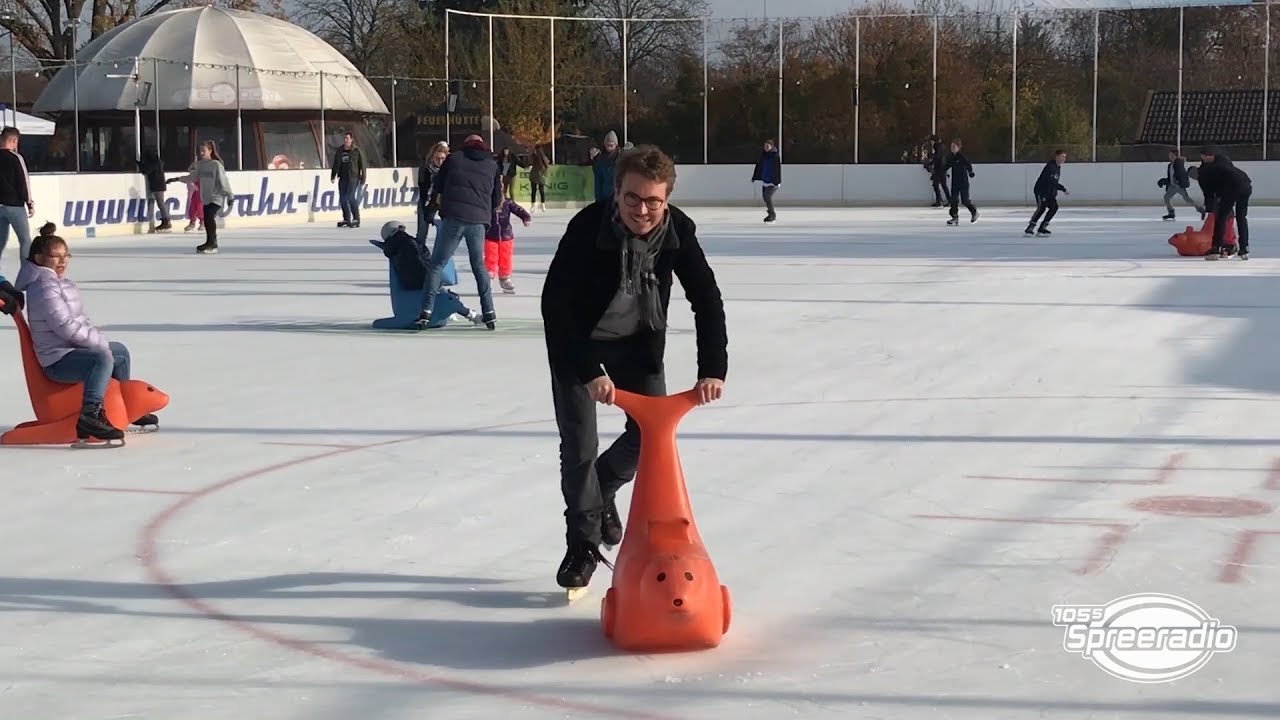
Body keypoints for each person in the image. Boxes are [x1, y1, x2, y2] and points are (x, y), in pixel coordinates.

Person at [540, 144, 728, 590]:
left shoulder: (677, 231)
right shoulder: (587, 228)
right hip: (577, 344)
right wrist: (589, 370)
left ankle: (603, 485)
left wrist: (713, 367)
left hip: (637, 342)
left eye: (653, 202)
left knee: (650, 434)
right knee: (579, 447)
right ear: (616, 192)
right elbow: (556, 306)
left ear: (667, 199)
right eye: (632, 198)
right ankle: (582, 546)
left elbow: (706, 300)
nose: (642, 210)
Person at [14, 223, 159, 443]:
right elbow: (64, 325)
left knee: (119, 352)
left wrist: (95, 341)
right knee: (102, 357)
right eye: (56, 256)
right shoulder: (44, 286)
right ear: (40, 258)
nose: (63, 261)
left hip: (70, 349)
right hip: (57, 360)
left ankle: (121, 404)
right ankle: (91, 414)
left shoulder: (55, 283)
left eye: (66, 255)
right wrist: (96, 342)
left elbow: (77, 322)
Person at [420, 134, 501, 330]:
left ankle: (426, 311)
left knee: (437, 264)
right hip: (478, 221)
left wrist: (431, 209)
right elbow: (496, 198)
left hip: (454, 218)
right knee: (478, 266)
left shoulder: (454, 159)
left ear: (465, 146)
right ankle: (489, 312)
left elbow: (438, 186)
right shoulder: (492, 165)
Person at [169, 140, 233, 254]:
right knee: (208, 219)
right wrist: (176, 179)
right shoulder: (201, 165)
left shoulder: (216, 165)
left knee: (208, 217)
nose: (202, 153)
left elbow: (224, 181)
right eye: (200, 151)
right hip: (206, 198)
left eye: (204, 151)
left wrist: (230, 196)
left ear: (210, 150)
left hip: (216, 197)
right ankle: (210, 242)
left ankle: (212, 243)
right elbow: (192, 177)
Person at [1197, 146, 1252, 260]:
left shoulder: (1204, 172)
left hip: (1232, 188)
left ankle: (1216, 249)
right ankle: (1244, 249)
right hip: (1245, 184)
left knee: (1221, 218)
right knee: (1241, 217)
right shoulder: (1223, 160)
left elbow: (1208, 193)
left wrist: (1209, 209)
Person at [484, 179, 531, 294]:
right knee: (491, 257)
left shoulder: (507, 202)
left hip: (506, 236)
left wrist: (525, 217)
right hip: (490, 235)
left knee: (505, 258)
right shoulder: (487, 202)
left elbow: (518, 209)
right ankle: (488, 277)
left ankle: (505, 278)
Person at [0, 126, 33, 275]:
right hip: (14, 206)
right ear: (13, 140)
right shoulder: (16, 158)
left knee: (0, 242)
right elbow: (23, 181)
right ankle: (26, 273)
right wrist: (29, 203)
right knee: (25, 240)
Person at [1025, 149, 1069, 236]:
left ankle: (1042, 228)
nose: (1064, 159)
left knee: (1054, 207)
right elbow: (1051, 181)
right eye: (1062, 156)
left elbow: (1053, 182)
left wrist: (1054, 193)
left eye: (1065, 157)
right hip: (1041, 191)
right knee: (1042, 208)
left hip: (1049, 192)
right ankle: (1030, 228)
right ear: (1056, 157)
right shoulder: (1050, 166)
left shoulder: (1058, 167)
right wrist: (1063, 188)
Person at [416, 140, 448, 252]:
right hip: (427, 201)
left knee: (444, 233)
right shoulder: (426, 169)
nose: (440, 161)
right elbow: (422, 186)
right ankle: (419, 254)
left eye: (443, 159)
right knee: (421, 232)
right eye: (437, 158)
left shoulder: (450, 169)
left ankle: (441, 255)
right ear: (432, 157)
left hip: (443, 202)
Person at [331, 131, 367, 228]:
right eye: (345, 138)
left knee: (350, 197)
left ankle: (356, 219)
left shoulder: (356, 150)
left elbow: (362, 165)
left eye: (347, 138)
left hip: (353, 177)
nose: (346, 140)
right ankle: (346, 218)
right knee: (342, 198)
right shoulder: (340, 150)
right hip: (343, 177)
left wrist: (363, 177)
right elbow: (336, 163)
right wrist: (333, 175)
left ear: (351, 139)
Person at [1159, 148, 1205, 222]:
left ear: (1174, 155)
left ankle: (1200, 209)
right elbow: (1170, 176)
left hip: (1178, 186)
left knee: (1187, 199)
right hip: (1172, 185)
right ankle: (1171, 212)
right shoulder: (1170, 165)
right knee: (1167, 197)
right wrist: (1164, 181)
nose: (1169, 156)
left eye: (1170, 154)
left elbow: (1182, 174)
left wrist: (1181, 182)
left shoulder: (1179, 164)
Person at [137, 145, 172, 233]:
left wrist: (139, 164)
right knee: (157, 202)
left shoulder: (154, 162)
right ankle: (164, 220)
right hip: (157, 184)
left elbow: (146, 170)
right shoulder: (157, 161)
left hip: (157, 185)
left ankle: (166, 220)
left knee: (160, 202)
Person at [945, 138, 977, 225]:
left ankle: (974, 212)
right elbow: (946, 166)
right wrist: (942, 172)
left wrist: (970, 172)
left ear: (958, 147)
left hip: (963, 182)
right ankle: (954, 217)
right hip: (955, 183)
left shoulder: (962, 156)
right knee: (954, 200)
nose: (952, 148)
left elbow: (968, 164)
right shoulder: (951, 157)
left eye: (954, 146)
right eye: (951, 146)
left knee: (965, 201)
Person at [751, 139, 782, 223]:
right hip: (766, 180)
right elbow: (759, 167)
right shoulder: (763, 156)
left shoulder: (775, 156)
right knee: (765, 197)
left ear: (771, 146)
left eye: (768, 146)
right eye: (765, 146)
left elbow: (777, 169)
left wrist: (777, 180)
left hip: (773, 181)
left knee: (767, 196)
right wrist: (755, 177)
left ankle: (772, 214)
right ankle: (771, 212)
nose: (766, 147)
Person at [924, 134, 950, 207]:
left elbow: (937, 157)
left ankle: (940, 200)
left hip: (939, 169)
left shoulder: (938, 146)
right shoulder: (942, 146)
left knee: (936, 185)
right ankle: (948, 200)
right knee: (943, 185)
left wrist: (930, 162)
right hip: (942, 168)